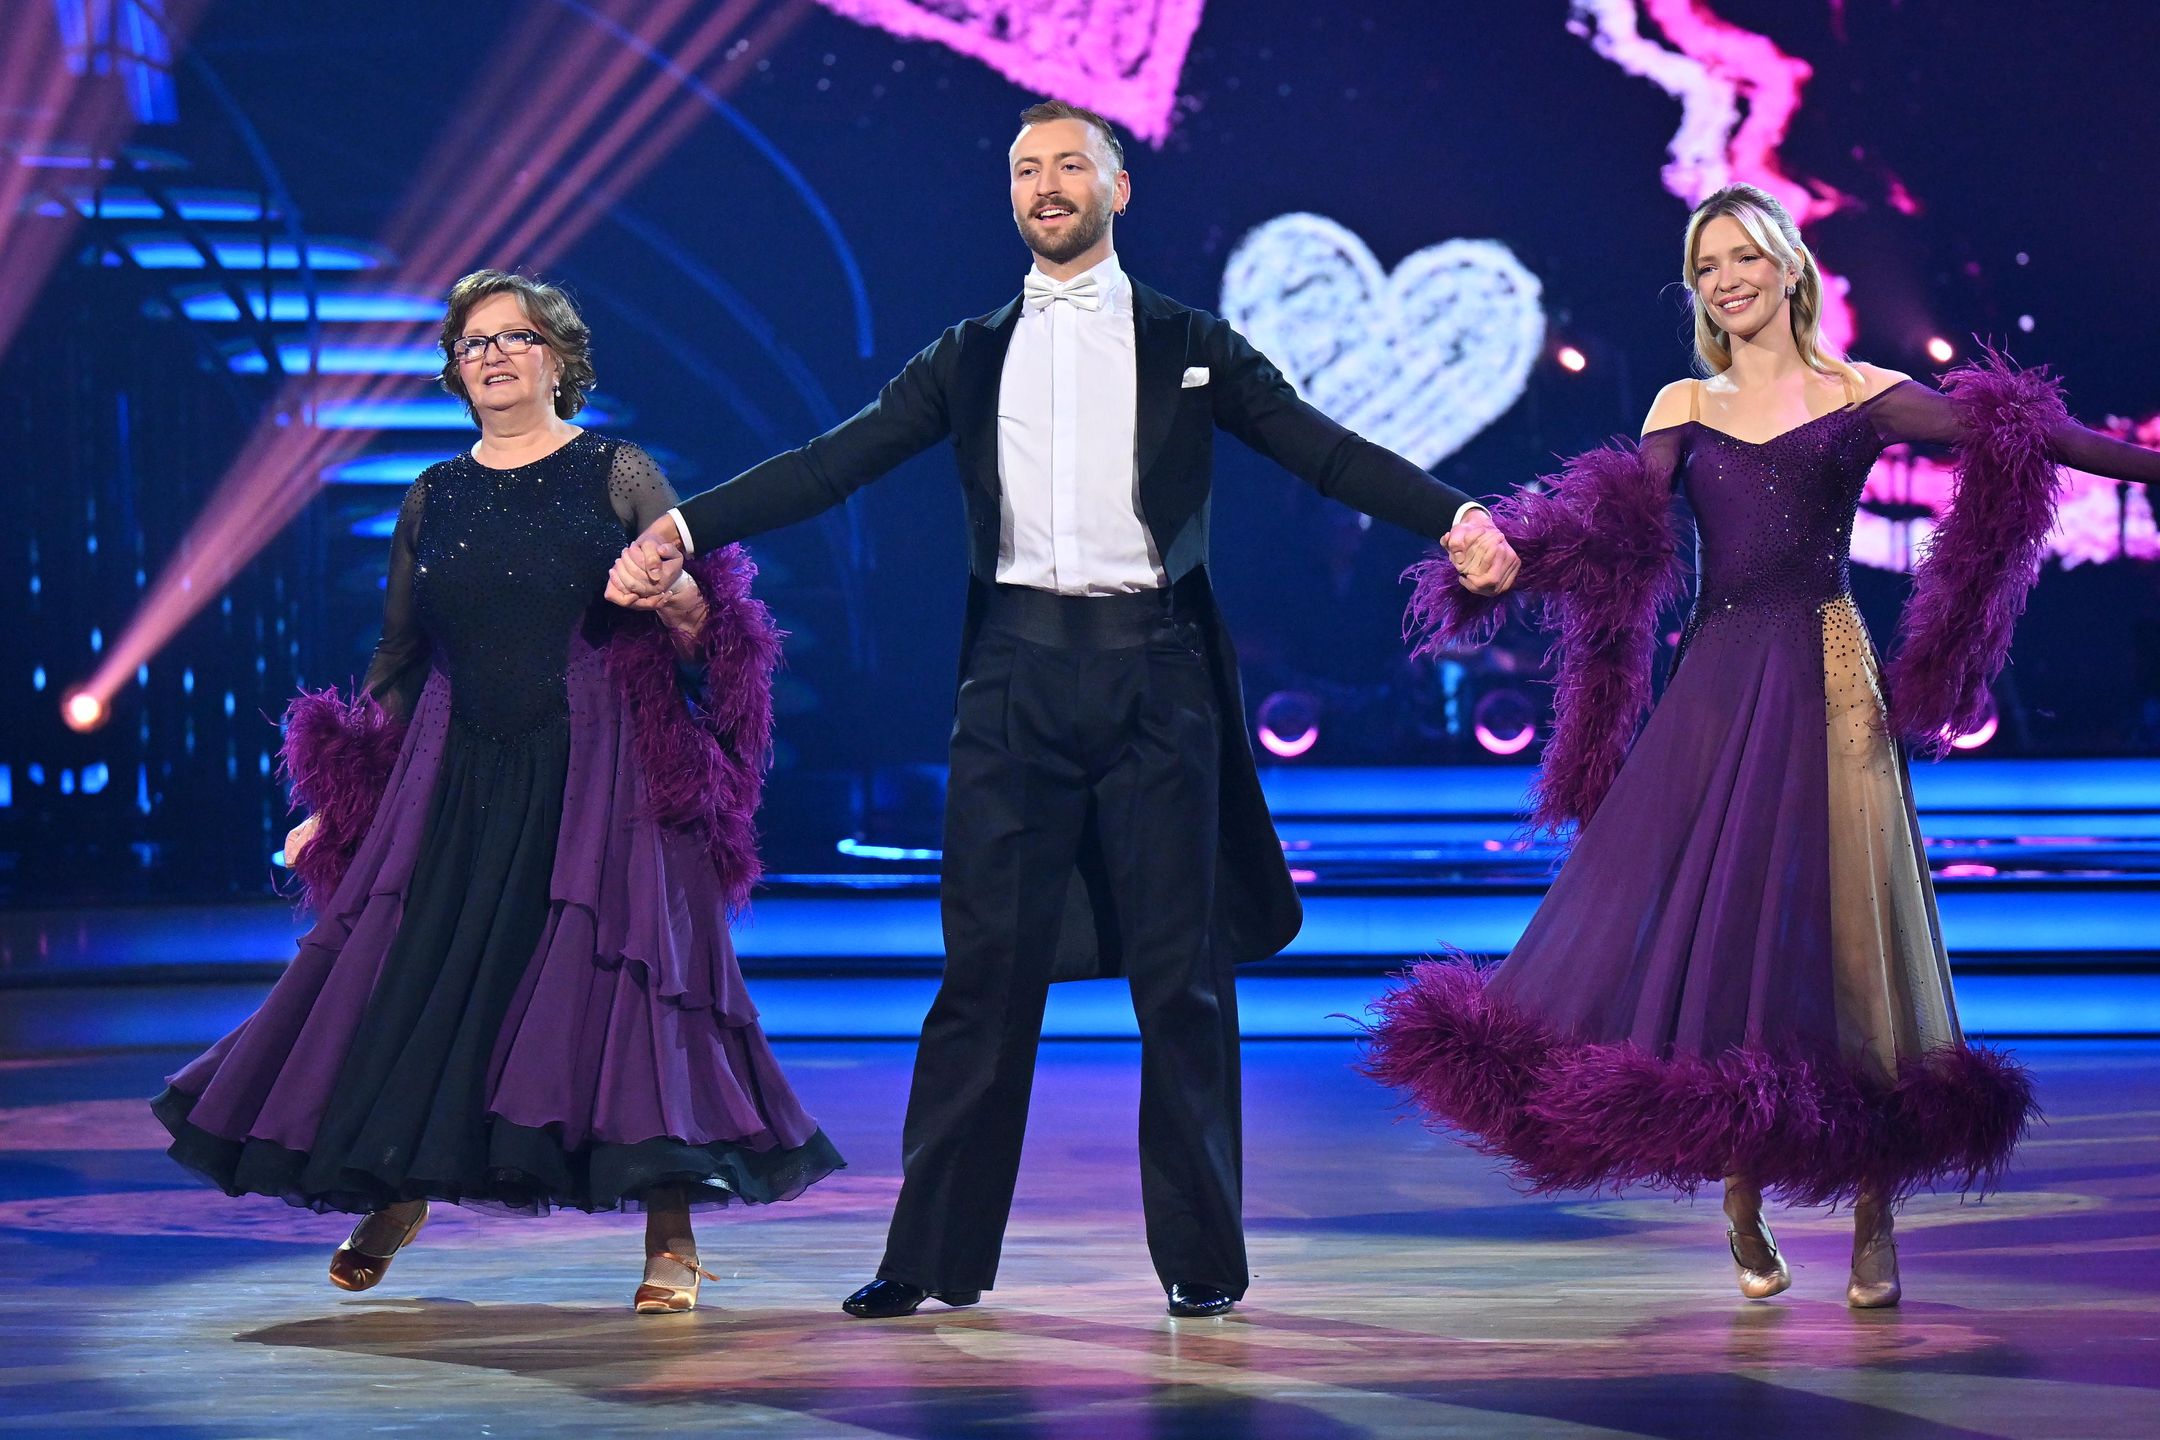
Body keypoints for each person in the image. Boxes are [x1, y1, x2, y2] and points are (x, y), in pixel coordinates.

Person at [608, 99, 1519, 1319]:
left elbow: (1321, 448)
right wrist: (684, 524)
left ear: (1117, 188)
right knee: (984, 973)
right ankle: (928, 1257)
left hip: (1158, 677)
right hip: (1016, 683)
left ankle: (1202, 1264)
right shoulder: (968, 352)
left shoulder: (1192, 341)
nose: (1047, 184)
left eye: (1069, 165)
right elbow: (832, 461)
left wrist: (1455, 515)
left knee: (1181, 979)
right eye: (1026, 169)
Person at [1367, 183, 2160, 1308]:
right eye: (1705, 265)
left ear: (1789, 266)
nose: (1726, 277)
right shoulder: (1682, 401)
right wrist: (1505, 557)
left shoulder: (1863, 391)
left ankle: (1875, 1217)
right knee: (1733, 930)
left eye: (1743, 255)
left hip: (1832, 676)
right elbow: (1612, 535)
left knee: (1854, 937)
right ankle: (1743, 1196)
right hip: (1719, 683)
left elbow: (2034, 436)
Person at [152, 270, 842, 1313]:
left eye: (517, 339)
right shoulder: (435, 492)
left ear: (560, 360)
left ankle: (671, 1234)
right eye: (475, 342)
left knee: (628, 988)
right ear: (455, 367)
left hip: (602, 764)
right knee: (424, 976)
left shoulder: (617, 471)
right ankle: (398, 1189)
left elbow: (706, 627)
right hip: (455, 764)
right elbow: (396, 657)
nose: (494, 356)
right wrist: (339, 800)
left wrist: (678, 595)